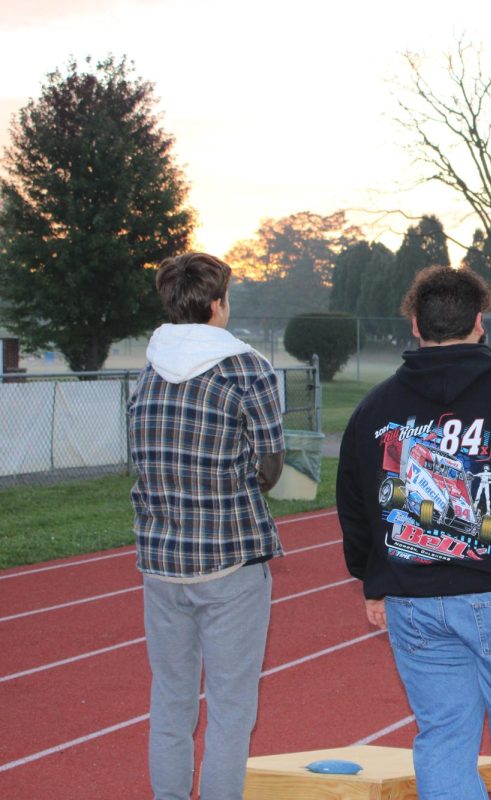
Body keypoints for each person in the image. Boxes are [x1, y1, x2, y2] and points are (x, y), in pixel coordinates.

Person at [337, 266, 491, 800]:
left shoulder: (373, 409)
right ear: (480, 323)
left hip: (415, 598)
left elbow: (355, 505)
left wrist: (372, 578)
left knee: (444, 736)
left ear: (415, 326)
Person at [127, 252, 284, 800]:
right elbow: (271, 464)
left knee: (170, 701)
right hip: (229, 559)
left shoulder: (147, 371)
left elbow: (144, 459)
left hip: (161, 561)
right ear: (218, 303)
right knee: (230, 708)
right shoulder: (247, 368)